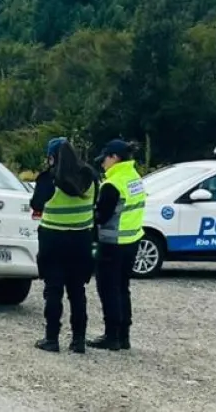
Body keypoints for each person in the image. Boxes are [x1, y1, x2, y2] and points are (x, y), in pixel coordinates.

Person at [30, 137, 98, 353]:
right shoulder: (90, 176)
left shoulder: (49, 179)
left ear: (52, 157)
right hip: (81, 240)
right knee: (77, 291)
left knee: (53, 291)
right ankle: (78, 341)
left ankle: (52, 339)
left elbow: (36, 204)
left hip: (53, 240)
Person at [88, 139, 147, 351]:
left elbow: (101, 216)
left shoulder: (113, 184)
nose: (102, 163)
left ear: (114, 157)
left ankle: (111, 336)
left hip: (112, 244)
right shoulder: (134, 178)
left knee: (108, 289)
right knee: (123, 288)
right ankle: (124, 335)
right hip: (132, 241)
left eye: (104, 159)